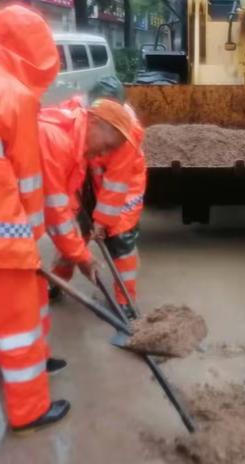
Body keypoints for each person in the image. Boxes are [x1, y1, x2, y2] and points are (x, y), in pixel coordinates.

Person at [0, 5, 70, 432]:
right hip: (1, 239)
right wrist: (33, 244)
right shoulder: (13, 95)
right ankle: (28, 409)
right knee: (18, 321)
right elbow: (27, 180)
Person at [39, 99, 136, 303]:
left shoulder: (73, 146)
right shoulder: (56, 141)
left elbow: (64, 207)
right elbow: (55, 214)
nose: (104, 153)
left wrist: (84, 237)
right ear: (94, 123)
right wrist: (83, 257)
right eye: (108, 145)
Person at [87, 78, 146, 318]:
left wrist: (102, 221)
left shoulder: (126, 132)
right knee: (74, 234)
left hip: (123, 191)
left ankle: (126, 303)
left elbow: (115, 184)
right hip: (94, 182)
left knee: (121, 240)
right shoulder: (86, 117)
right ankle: (57, 282)